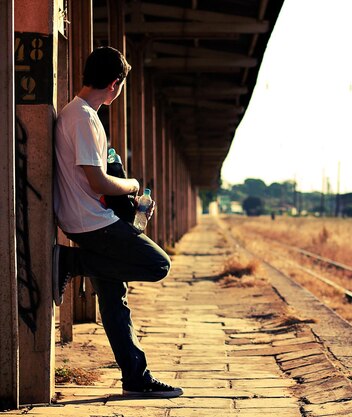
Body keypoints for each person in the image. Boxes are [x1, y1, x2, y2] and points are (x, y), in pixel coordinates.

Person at [53, 46, 183, 398]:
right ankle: (69, 261)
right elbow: (96, 182)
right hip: (91, 222)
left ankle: (135, 377)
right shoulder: (82, 117)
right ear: (115, 84)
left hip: (88, 218)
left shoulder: (82, 115)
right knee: (158, 264)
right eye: (121, 85)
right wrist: (133, 185)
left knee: (114, 298)